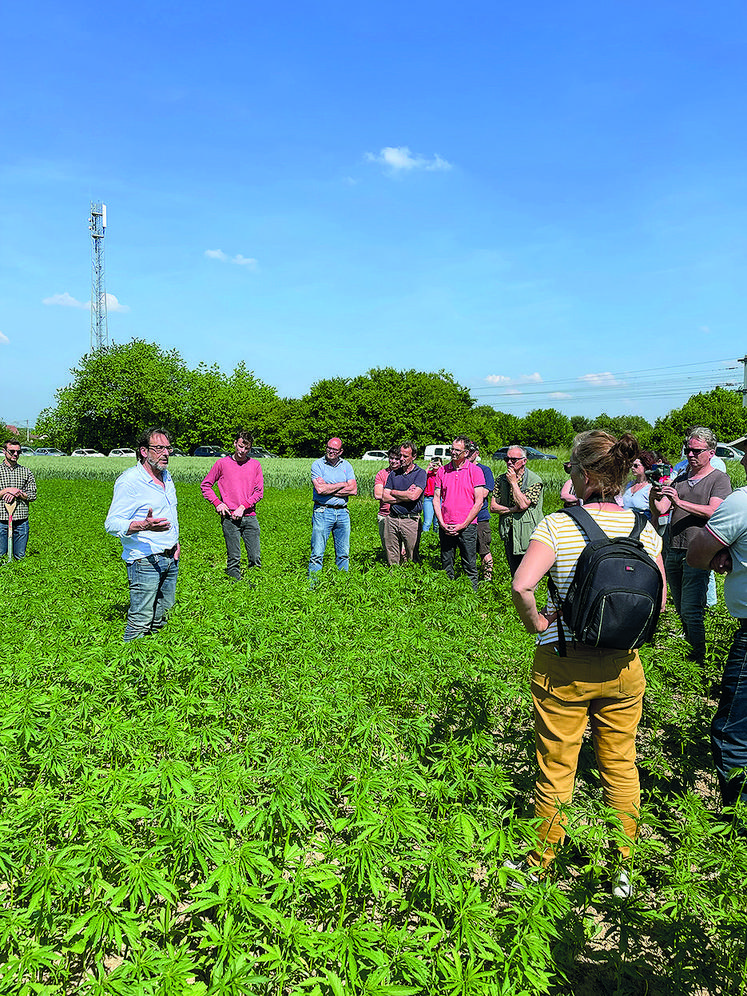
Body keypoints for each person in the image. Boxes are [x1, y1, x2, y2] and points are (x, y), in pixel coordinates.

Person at [510, 431, 666, 894]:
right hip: (624, 666)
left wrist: (538, 623)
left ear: (584, 474)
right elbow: (660, 599)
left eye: (571, 470)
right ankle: (623, 869)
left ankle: (541, 864)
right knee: (620, 764)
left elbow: (522, 585)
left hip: (564, 663)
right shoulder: (644, 529)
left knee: (557, 766)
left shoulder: (558, 525)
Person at [687, 440, 747, 808]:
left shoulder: (741, 502)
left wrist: (720, 551)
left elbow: (696, 553)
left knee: (732, 734)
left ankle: (737, 822)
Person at [650, 427, 731, 664]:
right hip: (673, 548)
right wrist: (654, 496)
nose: (691, 455)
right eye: (688, 450)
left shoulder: (719, 479)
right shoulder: (681, 478)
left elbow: (714, 511)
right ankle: (688, 655)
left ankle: (698, 659)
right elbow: (662, 509)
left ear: (711, 452)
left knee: (691, 609)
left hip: (698, 552)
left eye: (696, 451)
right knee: (680, 608)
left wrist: (679, 502)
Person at [105, 427, 180, 642]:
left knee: (163, 618)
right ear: (144, 451)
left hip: (170, 557)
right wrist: (143, 525)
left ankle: (156, 658)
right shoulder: (130, 481)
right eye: (159, 448)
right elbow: (111, 524)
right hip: (145, 560)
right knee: (140, 621)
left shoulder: (166, 477)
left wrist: (176, 542)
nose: (165, 453)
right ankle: (130, 659)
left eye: (168, 448)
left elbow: (171, 512)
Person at [200, 429, 263, 580]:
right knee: (234, 558)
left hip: (249, 516)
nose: (242, 451)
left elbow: (259, 492)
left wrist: (243, 507)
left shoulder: (255, 465)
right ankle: (234, 587)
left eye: (247, 448)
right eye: (240, 446)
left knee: (255, 557)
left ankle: (255, 586)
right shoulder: (222, 464)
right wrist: (218, 503)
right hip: (229, 517)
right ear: (235, 443)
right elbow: (206, 485)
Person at [433, 437, 487, 591]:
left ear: (466, 452)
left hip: (467, 526)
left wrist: (464, 524)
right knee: (446, 563)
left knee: (469, 564)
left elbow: (479, 502)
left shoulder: (475, 471)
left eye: (457, 450)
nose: (453, 452)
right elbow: (436, 499)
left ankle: (471, 596)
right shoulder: (442, 470)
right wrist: (442, 523)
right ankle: (447, 594)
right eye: (452, 449)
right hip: (446, 525)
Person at [490, 445, 544, 576]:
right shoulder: (501, 479)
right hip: (509, 531)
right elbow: (493, 507)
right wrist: (513, 509)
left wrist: (513, 483)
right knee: (514, 572)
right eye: (506, 459)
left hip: (528, 533)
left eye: (513, 460)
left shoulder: (534, 480)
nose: (509, 462)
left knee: (529, 574)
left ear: (524, 461)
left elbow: (523, 505)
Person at [309, 437, 357, 575]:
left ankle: (342, 582)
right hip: (323, 511)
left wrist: (328, 487)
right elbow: (320, 490)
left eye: (334, 449)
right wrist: (342, 484)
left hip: (342, 513)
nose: (331, 451)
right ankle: (314, 584)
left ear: (340, 451)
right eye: (329, 448)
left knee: (343, 554)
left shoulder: (346, 466)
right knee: (317, 553)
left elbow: (353, 490)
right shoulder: (318, 465)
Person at [381, 441, 427, 564]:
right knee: (392, 556)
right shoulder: (394, 473)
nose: (401, 459)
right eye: (400, 455)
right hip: (392, 519)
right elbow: (384, 497)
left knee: (411, 556)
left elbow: (413, 496)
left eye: (405, 456)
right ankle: (394, 575)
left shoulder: (420, 473)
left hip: (410, 520)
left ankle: (410, 575)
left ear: (414, 456)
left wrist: (394, 492)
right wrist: (405, 494)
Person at [0, 440, 37, 560]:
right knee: (1, 556)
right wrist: (6, 490)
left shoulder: (26, 472)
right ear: (4, 451)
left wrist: (19, 493)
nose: (15, 454)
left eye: (18, 452)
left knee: (20, 556)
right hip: (1, 520)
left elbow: (32, 495)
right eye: (12, 451)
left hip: (21, 521)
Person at [466, 441, 495, 581]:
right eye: (466, 451)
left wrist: (462, 492)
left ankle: (487, 580)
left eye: (471, 452)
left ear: (476, 453)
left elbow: (484, 493)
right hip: (463, 517)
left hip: (480, 517)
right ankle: (469, 579)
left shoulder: (485, 470)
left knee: (484, 551)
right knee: (467, 552)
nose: (468, 454)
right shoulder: (460, 470)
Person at [374, 448, 401, 553]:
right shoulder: (382, 474)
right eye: (391, 458)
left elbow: (413, 495)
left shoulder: (406, 474)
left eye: (396, 459)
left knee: (405, 550)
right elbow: (378, 494)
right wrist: (402, 497)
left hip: (402, 515)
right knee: (389, 549)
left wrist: (387, 495)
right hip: (385, 514)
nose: (393, 461)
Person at [621, 451, 657, 519]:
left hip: (642, 522)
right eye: (632, 465)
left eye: (636, 466)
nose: (632, 468)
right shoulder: (629, 485)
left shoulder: (650, 488)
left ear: (645, 467)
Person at [421, 457, 442, 537]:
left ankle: (435, 538)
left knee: (437, 522)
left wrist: (441, 466)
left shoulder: (441, 473)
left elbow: (447, 475)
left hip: (439, 499)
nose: (435, 465)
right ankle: (424, 539)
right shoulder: (428, 473)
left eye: (437, 463)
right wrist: (428, 467)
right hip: (428, 498)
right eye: (434, 463)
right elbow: (422, 476)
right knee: (427, 522)